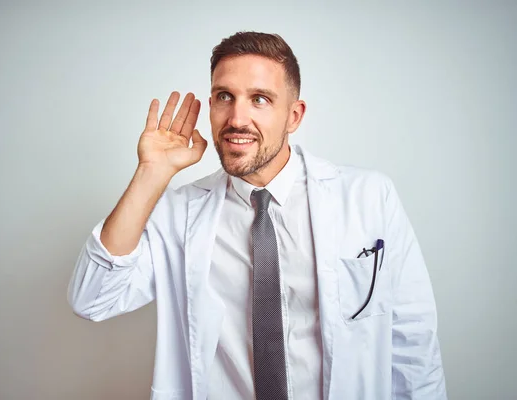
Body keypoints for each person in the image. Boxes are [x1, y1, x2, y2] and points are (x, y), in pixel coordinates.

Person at [68, 31, 447, 400]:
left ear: (293, 115)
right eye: (224, 97)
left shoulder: (367, 196)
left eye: (260, 99)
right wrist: (151, 173)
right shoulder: (179, 211)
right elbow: (93, 299)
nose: (237, 118)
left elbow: (413, 339)